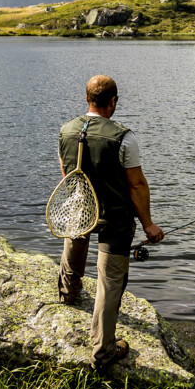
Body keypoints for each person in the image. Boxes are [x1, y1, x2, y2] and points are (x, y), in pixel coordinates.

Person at [58, 74, 164, 367]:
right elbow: (137, 186)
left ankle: (68, 293)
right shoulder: (124, 137)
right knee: (109, 281)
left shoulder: (66, 130)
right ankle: (104, 351)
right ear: (113, 101)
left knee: (75, 238)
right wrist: (149, 226)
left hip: (79, 207)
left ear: (87, 99)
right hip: (115, 218)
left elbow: (67, 174)